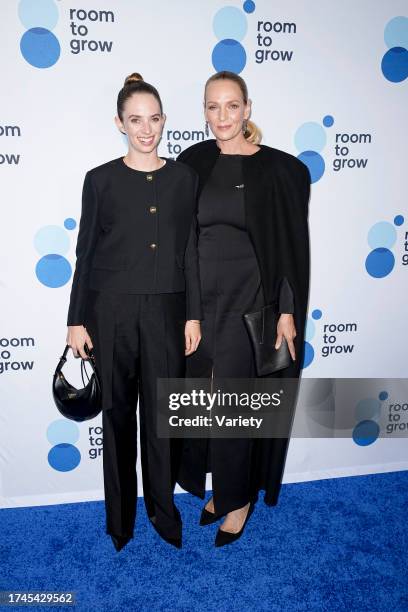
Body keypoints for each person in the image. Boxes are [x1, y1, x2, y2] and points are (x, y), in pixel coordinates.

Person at [66, 73, 202, 551]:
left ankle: (164, 515)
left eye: (154, 119)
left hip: (168, 313)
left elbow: (191, 250)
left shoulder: (185, 178)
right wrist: (75, 321)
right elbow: (85, 254)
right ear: (120, 123)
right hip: (111, 315)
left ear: (165, 120)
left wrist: (194, 315)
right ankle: (120, 521)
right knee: (117, 415)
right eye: (136, 120)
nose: (147, 129)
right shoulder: (99, 180)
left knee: (163, 419)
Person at [176, 70, 310, 547]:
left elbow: (290, 251)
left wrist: (287, 310)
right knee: (207, 403)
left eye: (232, 106)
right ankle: (223, 486)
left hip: (248, 304)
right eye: (212, 106)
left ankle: (238, 500)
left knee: (233, 404)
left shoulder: (278, 171)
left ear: (248, 108)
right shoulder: (192, 162)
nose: (222, 116)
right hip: (200, 301)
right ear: (204, 111)